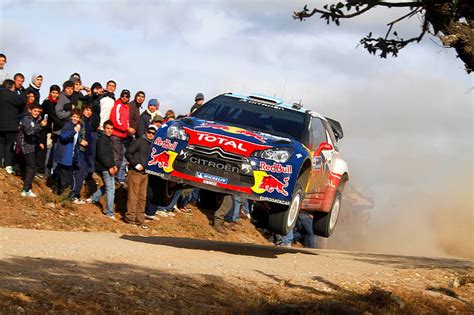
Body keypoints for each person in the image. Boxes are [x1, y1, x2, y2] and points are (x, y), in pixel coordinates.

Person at [124, 125, 156, 229]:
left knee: (142, 198)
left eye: (153, 133)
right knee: (133, 196)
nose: (151, 134)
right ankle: (130, 219)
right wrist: (135, 164)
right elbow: (128, 153)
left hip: (145, 174)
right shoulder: (139, 141)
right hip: (135, 172)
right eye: (149, 132)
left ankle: (140, 220)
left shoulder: (152, 144)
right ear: (146, 132)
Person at [87, 120, 117, 220]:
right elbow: (102, 155)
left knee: (107, 187)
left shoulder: (108, 140)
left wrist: (114, 165)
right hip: (105, 168)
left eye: (111, 129)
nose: (110, 130)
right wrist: (109, 166)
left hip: (108, 166)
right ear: (104, 128)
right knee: (111, 189)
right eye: (108, 128)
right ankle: (109, 212)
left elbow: (110, 156)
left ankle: (93, 198)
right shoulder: (102, 140)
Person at [17, 103, 47, 197]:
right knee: (31, 167)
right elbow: (29, 132)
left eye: (38, 111)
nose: (37, 113)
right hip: (26, 146)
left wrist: (39, 142)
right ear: (30, 110)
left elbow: (34, 134)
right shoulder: (26, 119)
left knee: (32, 167)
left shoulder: (35, 120)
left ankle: (27, 188)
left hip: (32, 145)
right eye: (35, 111)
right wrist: (40, 126)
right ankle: (26, 189)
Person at [0, 79, 26, 174]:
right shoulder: (11, 94)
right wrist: (22, 91)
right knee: (9, 145)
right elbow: (22, 101)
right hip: (11, 125)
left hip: (0, 126)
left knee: (1, 144)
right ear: (12, 86)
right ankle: (8, 165)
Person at [53, 109, 82, 195]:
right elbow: (63, 137)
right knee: (64, 177)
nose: (75, 118)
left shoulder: (77, 127)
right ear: (70, 117)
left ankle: (59, 192)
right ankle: (62, 196)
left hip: (72, 156)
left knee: (67, 176)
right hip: (65, 155)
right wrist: (74, 131)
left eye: (77, 117)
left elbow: (76, 143)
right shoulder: (68, 125)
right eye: (74, 116)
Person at [70, 105, 94, 204]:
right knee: (78, 173)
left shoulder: (88, 122)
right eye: (87, 110)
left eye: (90, 110)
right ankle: (73, 195)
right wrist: (80, 141)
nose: (89, 112)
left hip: (85, 151)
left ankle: (75, 194)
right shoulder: (81, 122)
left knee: (81, 173)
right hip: (79, 150)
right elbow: (76, 133)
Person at [109, 89, 131, 185]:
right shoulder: (118, 105)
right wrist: (127, 128)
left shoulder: (127, 107)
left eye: (126, 96)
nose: (124, 98)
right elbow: (115, 121)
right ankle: (113, 177)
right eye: (123, 96)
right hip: (116, 135)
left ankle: (118, 177)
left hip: (123, 136)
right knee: (116, 157)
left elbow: (126, 120)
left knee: (121, 157)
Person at [41, 85, 61, 175]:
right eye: (53, 92)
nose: (55, 95)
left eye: (56, 93)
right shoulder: (48, 102)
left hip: (52, 130)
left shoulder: (57, 103)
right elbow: (53, 116)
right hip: (46, 130)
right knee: (46, 150)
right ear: (50, 92)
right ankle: (44, 171)